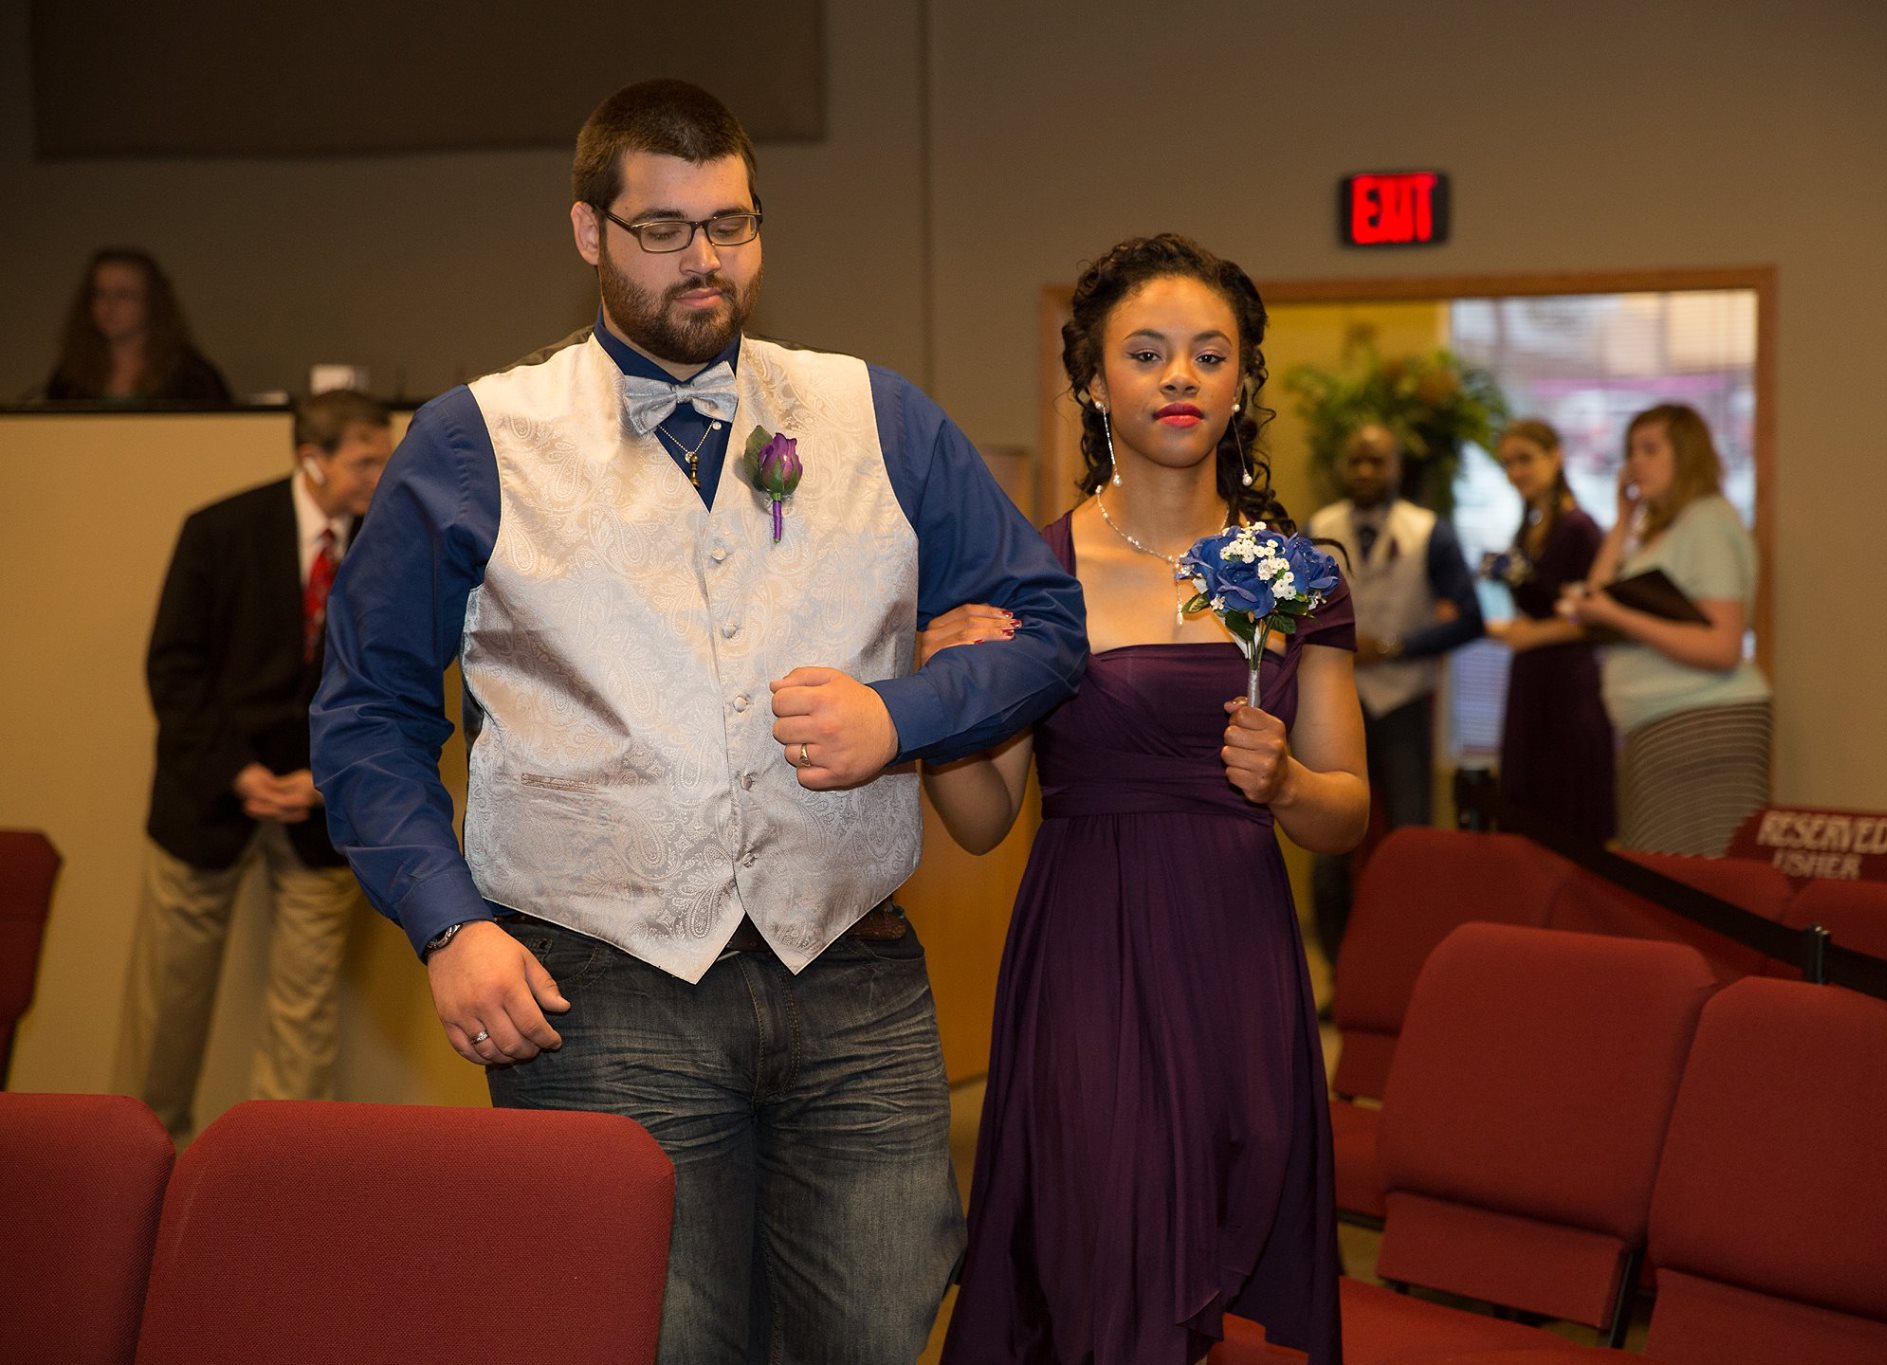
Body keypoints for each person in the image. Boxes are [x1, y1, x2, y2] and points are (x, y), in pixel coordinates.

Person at [308, 80, 1087, 1365]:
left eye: (731, 225)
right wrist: (448, 924)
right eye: (664, 230)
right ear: (589, 232)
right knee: (651, 1339)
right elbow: (367, 715)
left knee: (878, 1330)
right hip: (596, 984)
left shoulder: (875, 415)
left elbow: (1048, 624)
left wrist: (901, 716)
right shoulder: (473, 441)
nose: (705, 260)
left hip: (852, 972)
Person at [927, 234, 1368, 1365]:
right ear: (1092, 380)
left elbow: (1345, 815)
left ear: (1241, 382)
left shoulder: (1297, 574)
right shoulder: (1032, 574)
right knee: (1104, 1234)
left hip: (1237, 953)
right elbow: (982, 820)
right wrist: (943, 701)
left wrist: (1286, 782)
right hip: (1089, 948)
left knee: (1223, 1223)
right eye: (1147, 353)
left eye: (1210, 355)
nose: (1180, 377)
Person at [114, 389, 391, 1143]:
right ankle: (138, 1164)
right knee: (168, 1011)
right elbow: (174, 670)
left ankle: (276, 1175)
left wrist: (328, 775)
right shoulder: (219, 531)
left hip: (323, 810)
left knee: (305, 1017)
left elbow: (396, 682)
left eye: (386, 458)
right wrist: (236, 770)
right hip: (207, 802)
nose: (381, 476)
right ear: (313, 459)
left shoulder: (391, 546)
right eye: (365, 461)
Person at [1304, 422, 1482, 965]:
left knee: (1410, 842)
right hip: (1335, 703)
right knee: (1329, 849)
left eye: (1376, 461)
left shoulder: (1429, 532)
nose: (1364, 471)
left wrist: (1396, 646)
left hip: (1403, 702)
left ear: (1398, 468)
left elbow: (1471, 619)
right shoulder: (1319, 528)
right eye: (1356, 460)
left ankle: (1410, 971)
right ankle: (1341, 974)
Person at [1563, 402, 1771, 855]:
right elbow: (1596, 598)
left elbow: (1722, 647)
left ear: (1687, 453)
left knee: (1686, 875)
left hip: (1701, 724)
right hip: (1659, 725)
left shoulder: (1707, 521)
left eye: (1650, 449)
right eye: (1631, 450)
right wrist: (1623, 519)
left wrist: (1620, 618)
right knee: (1654, 867)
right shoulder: (1660, 532)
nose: (1634, 463)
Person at [1480, 418, 1615, 841]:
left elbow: (1595, 618)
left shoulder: (1579, 529)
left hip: (1567, 683)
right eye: (1507, 463)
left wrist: (1532, 635)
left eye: (1525, 459)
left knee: (1563, 806)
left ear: (1556, 457)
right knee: (1526, 804)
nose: (1516, 471)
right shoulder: (1529, 527)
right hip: (1532, 678)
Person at [42, 248, 231, 404]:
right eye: (100, 294)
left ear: (153, 302)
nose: (109, 306)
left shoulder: (192, 378)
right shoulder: (69, 380)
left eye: (123, 295)